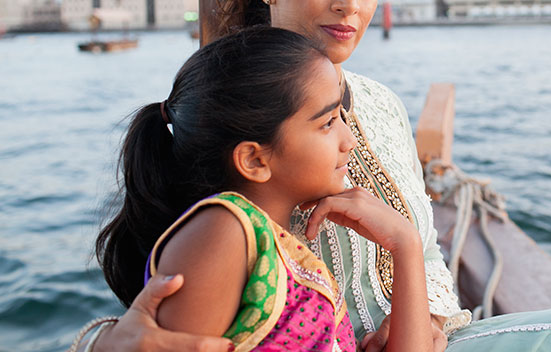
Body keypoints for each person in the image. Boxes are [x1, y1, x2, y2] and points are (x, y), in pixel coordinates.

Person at [85, 0, 551, 352]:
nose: (349, 3)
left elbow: (425, 255)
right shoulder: (230, 109)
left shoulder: (381, 105)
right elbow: (168, 307)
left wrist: (429, 322)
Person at [95, 26, 434, 352]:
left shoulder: (273, 241)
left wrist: (405, 244)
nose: (349, 140)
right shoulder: (225, 232)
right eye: (328, 122)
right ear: (255, 160)